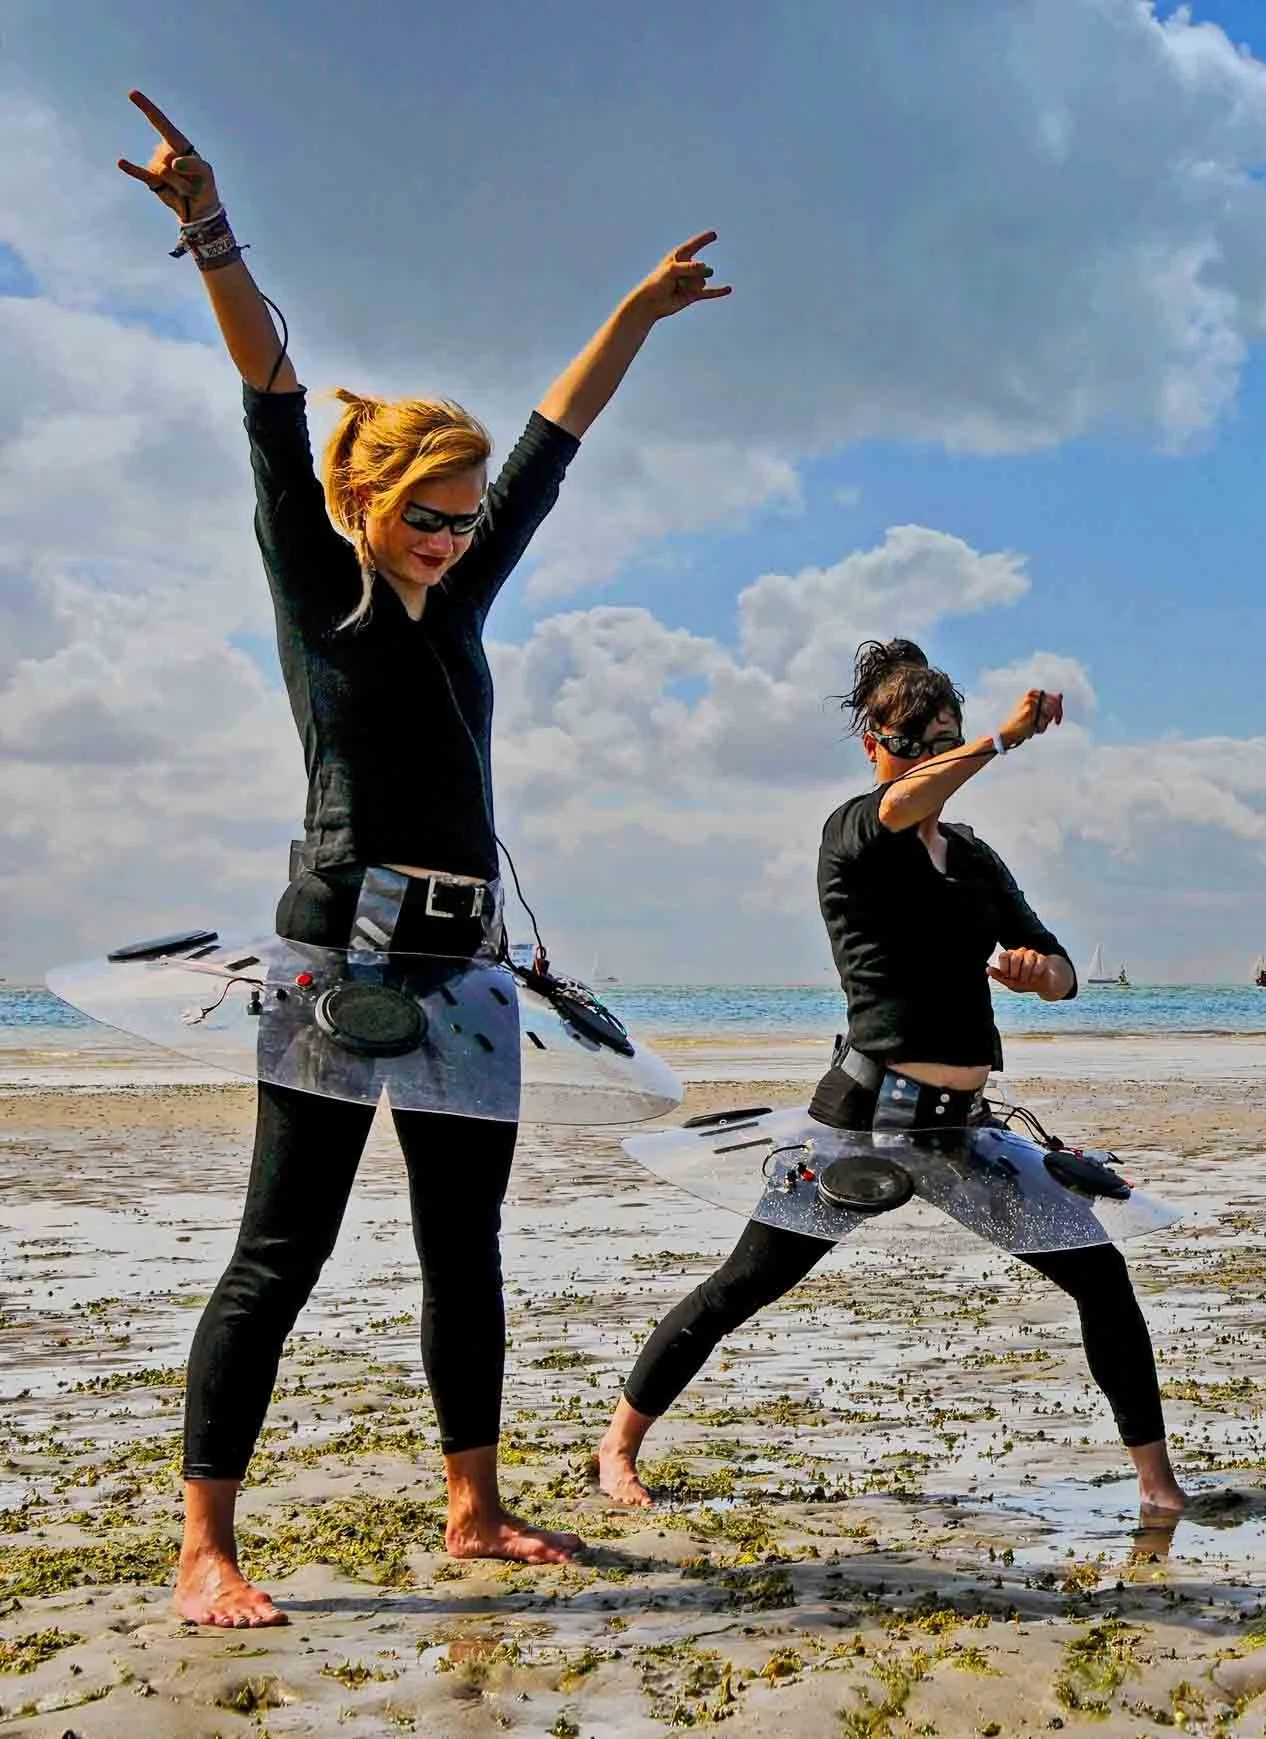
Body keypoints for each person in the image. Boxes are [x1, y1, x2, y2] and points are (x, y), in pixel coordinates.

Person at [115, 90, 730, 1627]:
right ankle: (207, 1544)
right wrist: (207, 226)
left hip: (461, 964)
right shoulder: (320, 583)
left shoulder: (459, 595)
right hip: (333, 951)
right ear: (368, 501)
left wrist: (636, 313)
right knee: (284, 1246)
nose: (455, 537)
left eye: (463, 521)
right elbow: (267, 385)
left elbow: (555, 440)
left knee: (467, 1247)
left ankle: (473, 1505)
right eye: (430, 517)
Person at [596, 640, 1188, 1514]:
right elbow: (910, 799)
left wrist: (1040, 973)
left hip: (961, 1129)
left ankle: (1158, 1486)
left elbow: (1063, 968)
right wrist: (996, 740)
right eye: (918, 741)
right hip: (859, 1121)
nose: (933, 756)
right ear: (876, 742)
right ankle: (617, 1446)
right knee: (747, 1281)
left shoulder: (976, 860)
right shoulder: (855, 833)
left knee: (1098, 1274)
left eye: (944, 736)